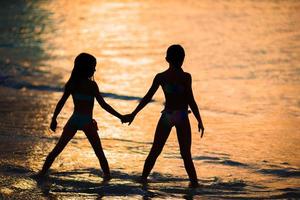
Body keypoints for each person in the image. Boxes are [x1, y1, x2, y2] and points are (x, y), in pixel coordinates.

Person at [123, 44, 205, 187]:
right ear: (183, 59)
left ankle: (143, 179)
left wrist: (134, 114)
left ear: (167, 59)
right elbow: (190, 100)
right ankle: (195, 185)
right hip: (182, 116)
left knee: (155, 150)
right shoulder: (186, 77)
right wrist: (199, 120)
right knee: (186, 155)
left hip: (167, 115)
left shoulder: (161, 77)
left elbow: (147, 97)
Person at [38, 53, 123, 180]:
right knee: (99, 153)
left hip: (74, 120)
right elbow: (103, 105)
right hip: (87, 122)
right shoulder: (92, 85)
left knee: (57, 150)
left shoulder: (72, 83)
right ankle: (107, 177)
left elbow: (61, 102)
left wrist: (54, 118)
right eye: (93, 67)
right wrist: (120, 116)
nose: (95, 70)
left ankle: (41, 174)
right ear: (86, 68)